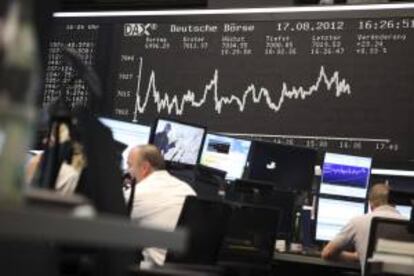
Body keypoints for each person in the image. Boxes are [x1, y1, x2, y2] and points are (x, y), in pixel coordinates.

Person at [127, 144, 196, 268]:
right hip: (188, 269)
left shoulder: (138, 192)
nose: (128, 171)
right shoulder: (187, 189)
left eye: (130, 165)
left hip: (152, 268)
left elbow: (113, 222)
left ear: (144, 168)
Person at [321, 183, 404, 273]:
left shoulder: (358, 222)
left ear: (370, 204)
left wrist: (357, 256)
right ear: (395, 203)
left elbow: (327, 253)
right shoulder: (409, 225)